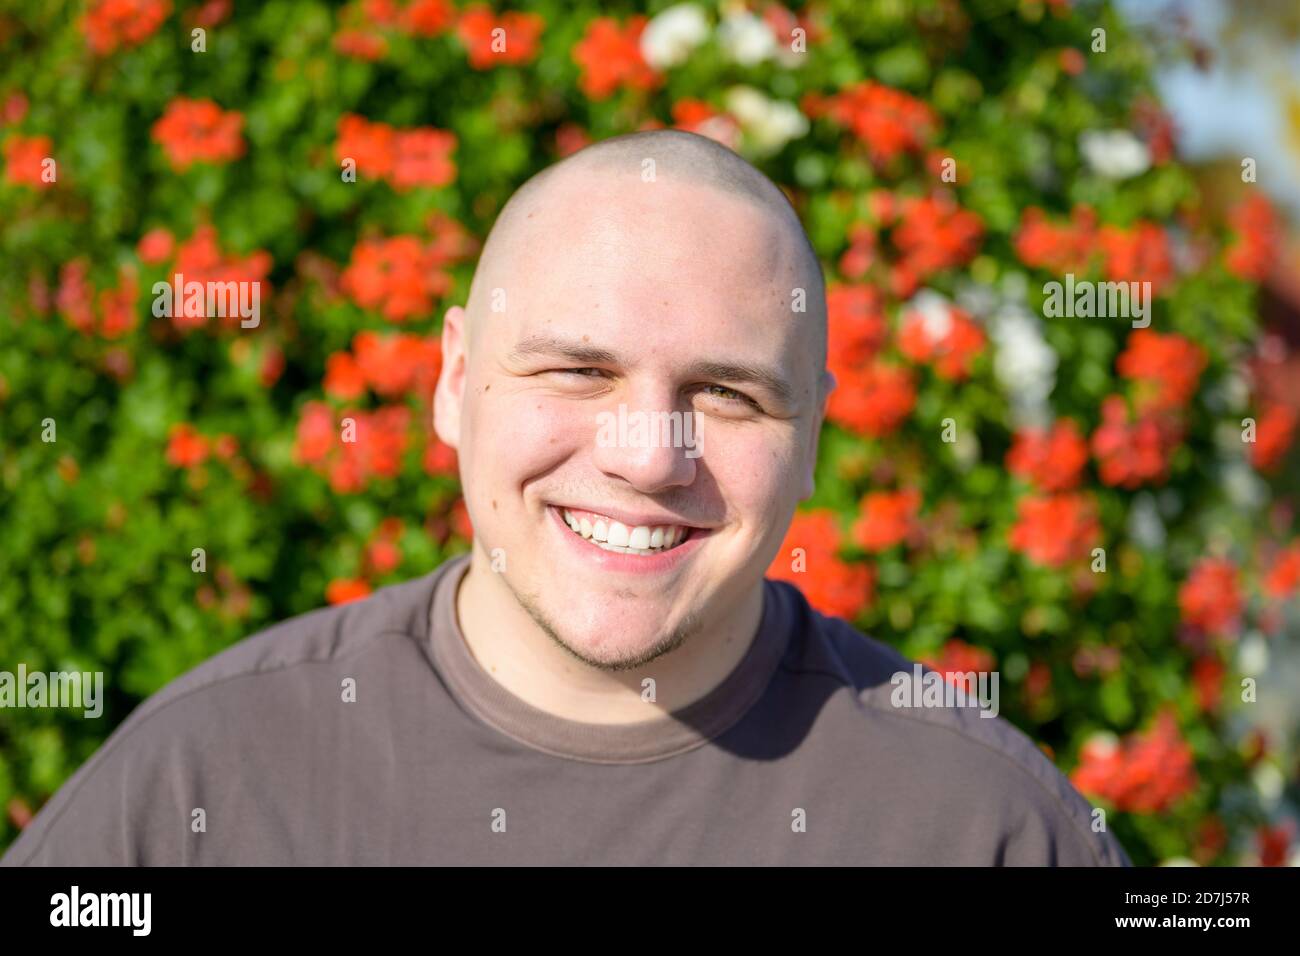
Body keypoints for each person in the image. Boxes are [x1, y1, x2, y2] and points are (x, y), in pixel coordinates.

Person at [2, 130, 1130, 866]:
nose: (647, 455)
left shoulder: (979, 826)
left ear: (815, 435)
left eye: (727, 393)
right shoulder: (206, 784)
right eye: (576, 370)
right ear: (452, 381)